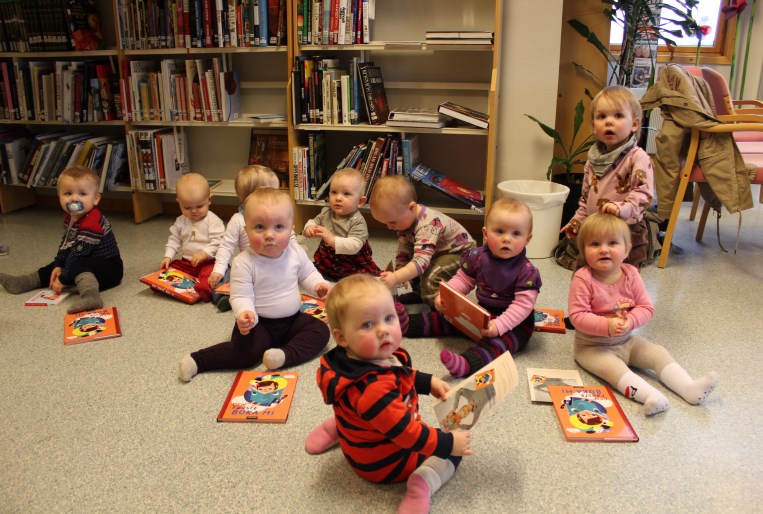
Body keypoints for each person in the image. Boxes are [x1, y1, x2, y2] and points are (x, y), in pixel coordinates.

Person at [304, 274, 472, 513]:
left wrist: (427, 381)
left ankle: (336, 428)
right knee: (451, 453)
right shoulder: (375, 390)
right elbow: (408, 436)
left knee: (356, 410)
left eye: (389, 317)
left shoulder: (349, 360)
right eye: (368, 325)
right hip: (385, 465)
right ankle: (421, 486)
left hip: (361, 440)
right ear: (341, 338)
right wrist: (448, 443)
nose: (383, 330)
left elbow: (401, 374)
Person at [568, 213, 719, 416]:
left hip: (627, 340)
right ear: (584, 251)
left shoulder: (631, 274)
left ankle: (688, 388)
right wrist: (606, 325)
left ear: (627, 250)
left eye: (612, 243)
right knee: (615, 371)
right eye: (595, 244)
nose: (604, 249)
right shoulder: (583, 278)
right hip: (592, 347)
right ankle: (650, 396)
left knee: (658, 353)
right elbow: (577, 316)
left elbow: (646, 307)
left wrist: (630, 321)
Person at [179, 188, 330, 381]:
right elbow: (241, 295)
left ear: (291, 228)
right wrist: (244, 314)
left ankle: (283, 356)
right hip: (258, 323)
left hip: (292, 320)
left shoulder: (294, 251)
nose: (269, 234)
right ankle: (198, 361)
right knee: (245, 353)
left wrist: (319, 285)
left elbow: (307, 273)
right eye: (259, 227)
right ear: (246, 231)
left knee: (320, 331)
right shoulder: (244, 262)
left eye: (279, 227)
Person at [397, 198, 541, 378]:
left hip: (515, 325)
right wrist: (447, 295)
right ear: (486, 234)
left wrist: (499, 325)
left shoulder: (527, 273)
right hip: (482, 313)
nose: (507, 239)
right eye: (499, 231)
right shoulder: (478, 257)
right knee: (448, 317)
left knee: (498, 345)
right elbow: (463, 279)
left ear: (527, 239)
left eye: (516, 234)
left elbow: (522, 307)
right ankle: (408, 324)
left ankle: (467, 364)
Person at [0, 165, 123, 313]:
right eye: (68, 193)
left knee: (76, 265)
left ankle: (91, 297)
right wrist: (58, 264)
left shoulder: (91, 222)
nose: (74, 198)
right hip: (85, 260)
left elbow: (79, 254)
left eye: (82, 193)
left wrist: (64, 278)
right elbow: (66, 245)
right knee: (57, 265)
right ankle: (24, 282)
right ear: (59, 196)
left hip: (109, 269)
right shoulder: (71, 218)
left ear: (95, 198)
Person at [561, 85, 654, 268]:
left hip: (626, 232)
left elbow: (644, 194)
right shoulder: (593, 160)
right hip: (595, 232)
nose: (608, 122)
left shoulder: (637, 157)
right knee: (583, 275)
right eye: (602, 116)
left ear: (634, 124)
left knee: (623, 282)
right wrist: (578, 220)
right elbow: (586, 198)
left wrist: (623, 208)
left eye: (618, 116)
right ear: (594, 125)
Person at [369, 175, 475, 307]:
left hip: (460, 252)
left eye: (392, 222)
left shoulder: (427, 225)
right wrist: (400, 270)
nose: (389, 227)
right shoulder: (404, 219)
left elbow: (421, 262)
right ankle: (420, 295)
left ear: (411, 207)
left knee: (431, 276)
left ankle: (438, 307)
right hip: (437, 250)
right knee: (410, 267)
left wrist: (396, 277)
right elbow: (404, 248)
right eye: (386, 223)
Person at [208, 164, 280, 310]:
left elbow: (288, 239)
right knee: (229, 279)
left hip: (274, 264)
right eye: (273, 193)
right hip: (250, 267)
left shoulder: (277, 215)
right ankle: (228, 297)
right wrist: (218, 270)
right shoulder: (238, 220)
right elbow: (226, 246)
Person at [302, 168, 381, 281]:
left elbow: (354, 246)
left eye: (346, 194)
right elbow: (313, 221)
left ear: (360, 202)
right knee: (311, 272)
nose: (338, 198)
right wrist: (308, 228)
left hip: (351, 259)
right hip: (327, 256)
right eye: (334, 192)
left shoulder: (357, 221)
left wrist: (330, 239)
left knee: (360, 280)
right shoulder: (326, 212)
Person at [160, 172, 224, 302]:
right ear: (179, 203)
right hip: (187, 262)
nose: (194, 211)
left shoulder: (213, 220)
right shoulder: (181, 221)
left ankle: (205, 289)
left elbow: (219, 242)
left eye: (199, 206)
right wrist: (168, 256)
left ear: (209, 200)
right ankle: (165, 285)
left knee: (209, 275)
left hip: (208, 262)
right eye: (187, 207)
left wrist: (204, 254)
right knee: (166, 272)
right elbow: (174, 239)